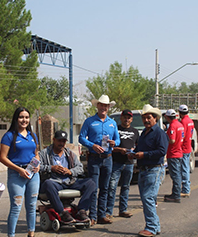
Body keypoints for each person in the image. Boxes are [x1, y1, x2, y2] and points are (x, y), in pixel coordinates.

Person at [0, 107, 40, 237]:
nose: (24, 120)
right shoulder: (9, 136)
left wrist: (38, 164)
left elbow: (36, 153)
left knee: (31, 206)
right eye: (21, 117)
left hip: (33, 175)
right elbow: (3, 158)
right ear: (16, 119)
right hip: (17, 174)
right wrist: (19, 170)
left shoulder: (33, 135)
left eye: (27, 117)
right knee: (16, 207)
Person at [79, 94, 120, 225]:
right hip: (94, 159)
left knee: (105, 187)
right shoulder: (89, 121)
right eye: (101, 105)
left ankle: (102, 214)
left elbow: (118, 139)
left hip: (108, 158)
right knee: (93, 187)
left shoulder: (112, 123)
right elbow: (81, 138)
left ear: (108, 107)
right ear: (97, 106)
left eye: (106, 106)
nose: (103, 107)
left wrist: (115, 143)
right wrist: (93, 145)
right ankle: (93, 216)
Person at [39, 130, 95, 223]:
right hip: (55, 181)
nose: (61, 143)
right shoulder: (44, 153)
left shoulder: (69, 153)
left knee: (91, 183)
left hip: (70, 181)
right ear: (54, 140)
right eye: (59, 141)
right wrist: (51, 168)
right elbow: (37, 167)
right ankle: (62, 212)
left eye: (63, 141)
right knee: (48, 184)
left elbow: (80, 168)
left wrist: (70, 171)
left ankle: (81, 210)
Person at [130, 104, 168, 237]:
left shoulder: (159, 133)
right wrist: (133, 153)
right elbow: (139, 148)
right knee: (147, 198)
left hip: (154, 169)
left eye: (149, 118)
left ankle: (151, 227)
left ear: (155, 118)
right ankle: (154, 226)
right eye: (144, 118)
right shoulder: (144, 134)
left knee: (148, 198)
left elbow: (162, 151)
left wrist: (144, 155)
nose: (146, 120)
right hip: (143, 169)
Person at [106, 109, 139, 219]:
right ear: (121, 118)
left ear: (131, 119)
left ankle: (123, 210)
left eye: (129, 117)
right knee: (112, 187)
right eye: (125, 117)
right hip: (116, 162)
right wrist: (119, 150)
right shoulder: (116, 129)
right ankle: (108, 212)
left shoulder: (135, 131)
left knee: (125, 187)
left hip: (129, 163)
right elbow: (109, 145)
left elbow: (138, 147)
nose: (126, 119)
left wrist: (133, 153)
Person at [163, 109, 184, 203]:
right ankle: (175, 193)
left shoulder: (172, 126)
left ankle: (176, 195)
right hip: (179, 152)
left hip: (173, 153)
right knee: (178, 174)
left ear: (167, 117)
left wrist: (164, 140)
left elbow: (172, 140)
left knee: (175, 175)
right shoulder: (180, 125)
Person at [178, 105, 194, 198]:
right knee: (186, 168)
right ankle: (186, 188)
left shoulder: (183, 122)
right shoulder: (190, 121)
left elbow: (182, 135)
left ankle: (185, 189)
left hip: (183, 148)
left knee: (184, 169)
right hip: (188, 147)